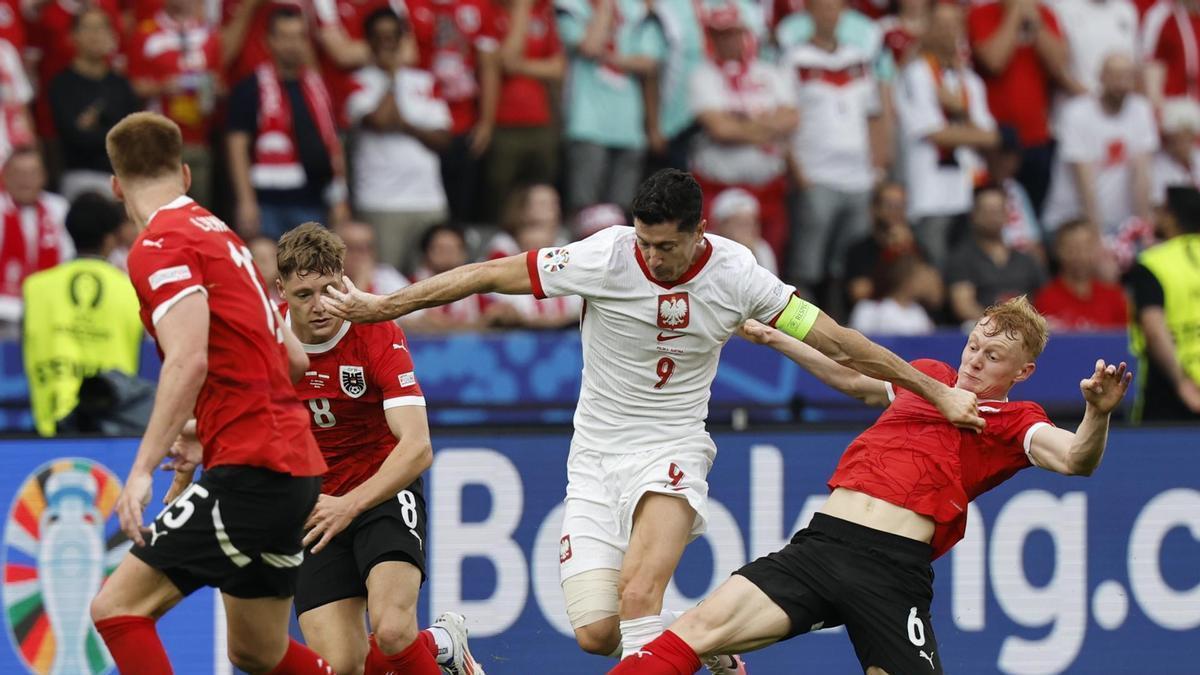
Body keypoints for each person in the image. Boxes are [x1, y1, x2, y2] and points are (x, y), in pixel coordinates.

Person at [323, 169, 984, 673]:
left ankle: (687, 638)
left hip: (672, 447)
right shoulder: (605, 256)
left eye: (667, 246)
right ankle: (705, 644)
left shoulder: (738, 274)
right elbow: (488, 273)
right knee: (596, 633)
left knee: (639, 594)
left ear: (698, 232)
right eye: (647, 241)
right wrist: (388, 305)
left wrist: (936, 390)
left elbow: (839, 340)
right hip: (594, 457)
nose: (656, 258)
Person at [606, 296, 1131, 675]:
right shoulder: (926, 376)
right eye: (974, 345)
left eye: (992, 357)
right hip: (821, 545)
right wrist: (776, 337)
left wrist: (1097, 413)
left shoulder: (1016, 420)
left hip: (892, 571)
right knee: (692, 633)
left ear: (1024, 371)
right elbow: (852, 379)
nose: (974, 360)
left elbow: (1076, 460)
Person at [88, 112, 331, 674]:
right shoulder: (224, 239)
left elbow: (189, 358)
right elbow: (291, 359)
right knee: (256, 650)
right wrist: (210, 428)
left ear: (116, 184)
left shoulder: (158, 245)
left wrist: (144, 467)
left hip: (253, 470)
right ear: (185, 174)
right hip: (290, 469)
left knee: (116, 608)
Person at [268, 223, 485, 675]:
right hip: (317, 508)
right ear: (281, 290)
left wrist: (350, 504)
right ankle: (440, 644)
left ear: (345, 279)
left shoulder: (376, 331)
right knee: (342, 665)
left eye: (330, 289)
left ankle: (427, 644)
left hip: (383, 491)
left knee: (391, 630)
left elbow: (418, 447)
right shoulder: (266, 340)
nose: (320, 305)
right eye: (304, 293)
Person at [784, 0, 883, 296]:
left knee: (849, 263)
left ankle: (843, 330)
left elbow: (874, 115)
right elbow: (785, 116)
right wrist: (797, 171)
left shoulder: (859, 58)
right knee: (808, 263)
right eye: (823, 8)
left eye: (834, 8)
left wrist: (878, 165)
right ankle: (802, 331)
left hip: (858, 177)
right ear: (809, 13)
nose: (830, 14)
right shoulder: (794, 59)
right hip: (816, 173)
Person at [23, 193, 141, 437]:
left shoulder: (34, 287)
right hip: (112, 425)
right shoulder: (132, 290)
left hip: (48, 426)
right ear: (111, 238)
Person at [228, 6, 350, 239]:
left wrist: (340, 197)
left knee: (310, 272)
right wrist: (246, 200)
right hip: (266, 203)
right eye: (285, 37)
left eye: (299, 37)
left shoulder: (319, 87)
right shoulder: (251, 87)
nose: (292, 45)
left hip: (313, 201)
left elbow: (334, 144)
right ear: (269, 41)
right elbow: (237, 146)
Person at [689, 3, 797, 261]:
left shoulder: (768, 72)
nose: (729, 40)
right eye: (721, 34)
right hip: (718, 187)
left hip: (767, 188)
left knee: (769, 261)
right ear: (711, 37)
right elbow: (720, 129)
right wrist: (766, 127)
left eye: (734, 33)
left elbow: (792, 118)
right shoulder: (703, 75)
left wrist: (741, 123)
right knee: (716, 263)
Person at [348, 7, 451, 273]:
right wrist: (392, 78)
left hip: (428, 200)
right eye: (380, 37)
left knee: (430, 283)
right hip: (380, 202)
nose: (388, 44)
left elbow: (443, 138)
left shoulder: (425, 81)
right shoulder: (356, 82)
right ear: (367, 42)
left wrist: (405, 126)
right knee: (384, 283)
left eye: (393, 36)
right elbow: (381, 120)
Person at [896, 0, 998, 268]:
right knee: (935, 270)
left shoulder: (970, 81)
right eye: (941, 25)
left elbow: (992, 137)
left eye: (954, 24)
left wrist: (959, 112)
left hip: (966, 192)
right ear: (927, 28)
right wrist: (969, 130)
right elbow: (934, 133)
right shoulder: (915, 74)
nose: (948, 31)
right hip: (930, 196)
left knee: (966, 274)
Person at [967, 0, 1082, 213]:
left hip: (1038, 137)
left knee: (1035, 216)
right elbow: (994, 61)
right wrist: (1015, 15)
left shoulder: (1044, 14)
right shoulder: (982, 14)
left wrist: (1036, 24)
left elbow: (1059, 65)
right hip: (997, 140)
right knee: (998, 215)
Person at [558, 0, 661, 212]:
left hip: (629, 126)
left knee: (622, 209)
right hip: (587, 122)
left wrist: (610, 58)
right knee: (585, 206)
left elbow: (650, 61)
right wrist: (605, 7)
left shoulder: (637, 9)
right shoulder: (570, 6)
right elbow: (590, 46)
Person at [1042, 53, 1158, 241]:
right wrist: (1096, 236)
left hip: (1121, 225)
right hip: (1072, 221)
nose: (1121, 84)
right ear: (1101, 77)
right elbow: (1084, 181)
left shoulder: (1141, 110)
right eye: (1115, 76)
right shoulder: (1077, 113)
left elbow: (1142, 175)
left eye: (1127, 76)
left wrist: (1144, 230)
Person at [127, 0, 222, 206]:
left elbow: (221, 83)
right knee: (161, 211)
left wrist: (211, 88)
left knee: (198, 212)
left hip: (199, 140)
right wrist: (162, 87)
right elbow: (131, 85)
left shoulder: (208, 33)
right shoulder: (145, 33)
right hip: (159, 142)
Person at [484, 0, 565, 221]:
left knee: (541, 191)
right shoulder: (489, 10)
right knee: (501, 194)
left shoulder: (543, 10)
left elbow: (558, 68)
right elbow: (509, 57)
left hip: (541, 120)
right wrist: (522, 8)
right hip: (504, 121)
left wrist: (520, 67)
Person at [50, 7, 141, 201]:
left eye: (101, 28)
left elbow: (133, 135)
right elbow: (74, 137)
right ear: (73, 36)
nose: (96, 35)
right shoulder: (62, 84)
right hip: (81, 175)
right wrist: (114, 131)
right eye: (88, 28)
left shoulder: (121, 84)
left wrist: (94, 127)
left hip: (122, 176)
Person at [1127, 186, 1200, 421]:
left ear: (1171, 217)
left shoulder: (1153, 262)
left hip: (1170, 392)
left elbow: (1154, 329)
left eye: (1160, 211)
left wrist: (1181, 382)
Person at [947, 185, 1045, 324]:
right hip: (982, 332)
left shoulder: (1026, 260)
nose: (992, 217)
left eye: (998, 211)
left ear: (1007, 214)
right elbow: (963, 306)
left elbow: (1045, 301)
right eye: (987, 211)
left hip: (1026, 332)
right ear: (974, 215)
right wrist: (1001, 324)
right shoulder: (962, 258)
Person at [0, 148, 73, 334]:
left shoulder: (59, 208)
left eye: (32, 174)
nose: (25, 181)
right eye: (19, 174)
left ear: (44, 176)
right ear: (5, 176)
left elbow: (69, 258)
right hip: (4, 310)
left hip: (51, 308)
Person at [1033, 219, 1129, 330]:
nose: (1081, 255)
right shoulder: (1045, 299)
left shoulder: (1114, 297)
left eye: (1087, 247)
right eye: (1072, 248)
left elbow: (1123, 342)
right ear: (1058, 251)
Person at [846, 256, 937, 335]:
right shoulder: (868, 310)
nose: (925, 284)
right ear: (907, 280)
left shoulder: (919, 313)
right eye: (920, 279)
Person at [1152, 97, 1200, 203]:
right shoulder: (1159, 165)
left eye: (1188, 135)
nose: (1182, 144)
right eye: (1177, 138)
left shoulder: (1198, 157)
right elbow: (1158, 204)